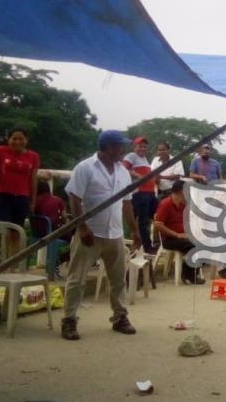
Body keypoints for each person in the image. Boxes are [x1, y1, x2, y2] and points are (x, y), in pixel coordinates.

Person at [61, 130, 141, 340]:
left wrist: (134, 230)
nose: (123, 150)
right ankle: (69, 320)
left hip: (115, 233)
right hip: (90, 233)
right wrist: (82, 227)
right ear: (107, 147)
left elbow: (127, 203)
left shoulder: (123, 172)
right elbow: (75, 198)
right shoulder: (86, 167)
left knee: (117, 280)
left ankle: (120, 317)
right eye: (119, 146)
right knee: (77, 279)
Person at [0, 127, 40, 255]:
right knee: (4, 231)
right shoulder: (1, 151)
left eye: (21, 139)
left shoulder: (33, 156)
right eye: (14, 138)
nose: (17, 142)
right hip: (2, 196)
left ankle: (13, 264)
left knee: (17, 232)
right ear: (9, 139)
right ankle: (2, 262)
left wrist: (33, 201)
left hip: (22, 197)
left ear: (26, 140)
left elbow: (33, 179)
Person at [122, 137, 158, 254]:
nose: (142, 148)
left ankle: (144, 243)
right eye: (140, 146)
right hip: (140, 193)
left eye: (144, 146)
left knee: (155, 216)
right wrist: (136, 175)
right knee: (143, 221)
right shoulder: (131, 156)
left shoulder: (145, 159)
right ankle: (147, 247)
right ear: (134, 147)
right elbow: (122, 169)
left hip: (150, 193)